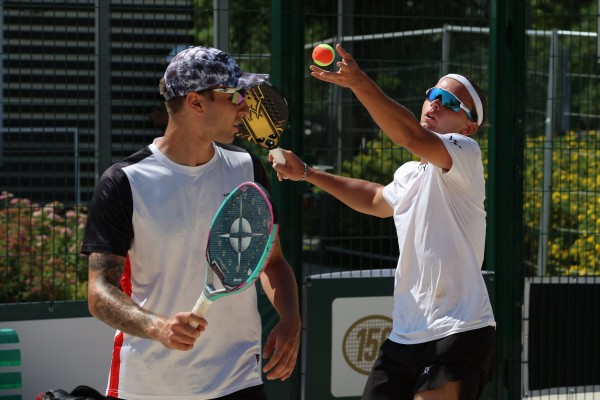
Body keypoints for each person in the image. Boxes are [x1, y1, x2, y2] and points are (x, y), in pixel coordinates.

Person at [272, 44, 496, 400]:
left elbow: (408, 135)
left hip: (459, 328)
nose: (436, 103)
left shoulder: (466, 153)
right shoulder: (410, 173)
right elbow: (375, 199)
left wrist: (359, 83)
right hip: (404, 335)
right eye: (434, 95)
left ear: (469, 127)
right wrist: (307, 173)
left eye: (451, 103)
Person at [81, 46, 301, 400]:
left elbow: (272, 262)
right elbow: (99, 292)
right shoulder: (124, 182)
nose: (246, 107)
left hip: (239, 379)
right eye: (235, 96)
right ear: (196, 102)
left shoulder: (247, 168)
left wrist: (290, 319)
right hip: (151, 387)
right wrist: (158, 327)